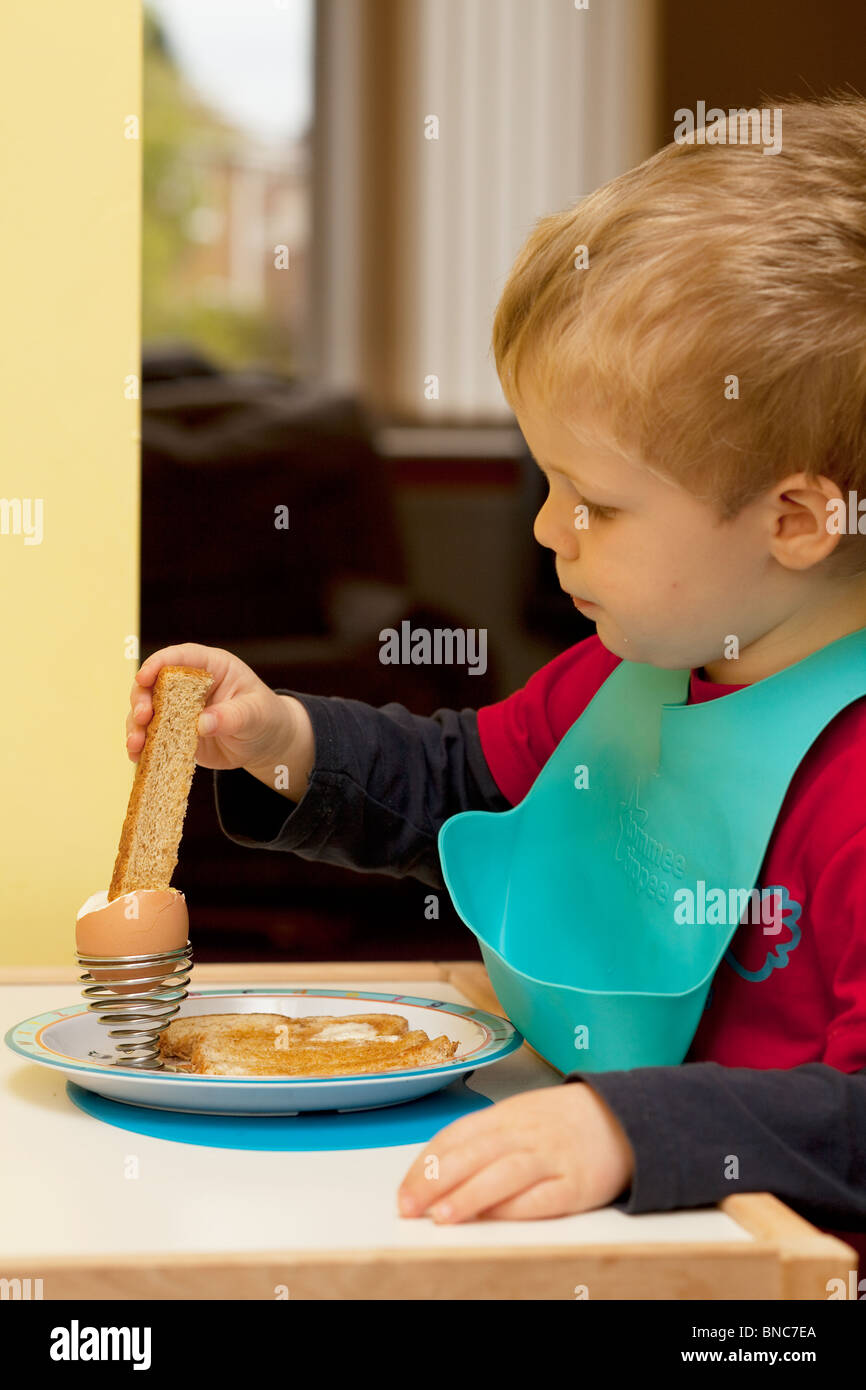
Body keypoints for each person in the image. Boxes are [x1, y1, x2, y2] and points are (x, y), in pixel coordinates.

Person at [128, 95, 866, 1270]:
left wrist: (628, 1127)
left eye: (596, 502)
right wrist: (278, 739)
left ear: (792, 518)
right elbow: (457, 787)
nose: (542, 528)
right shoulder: (625, 679)